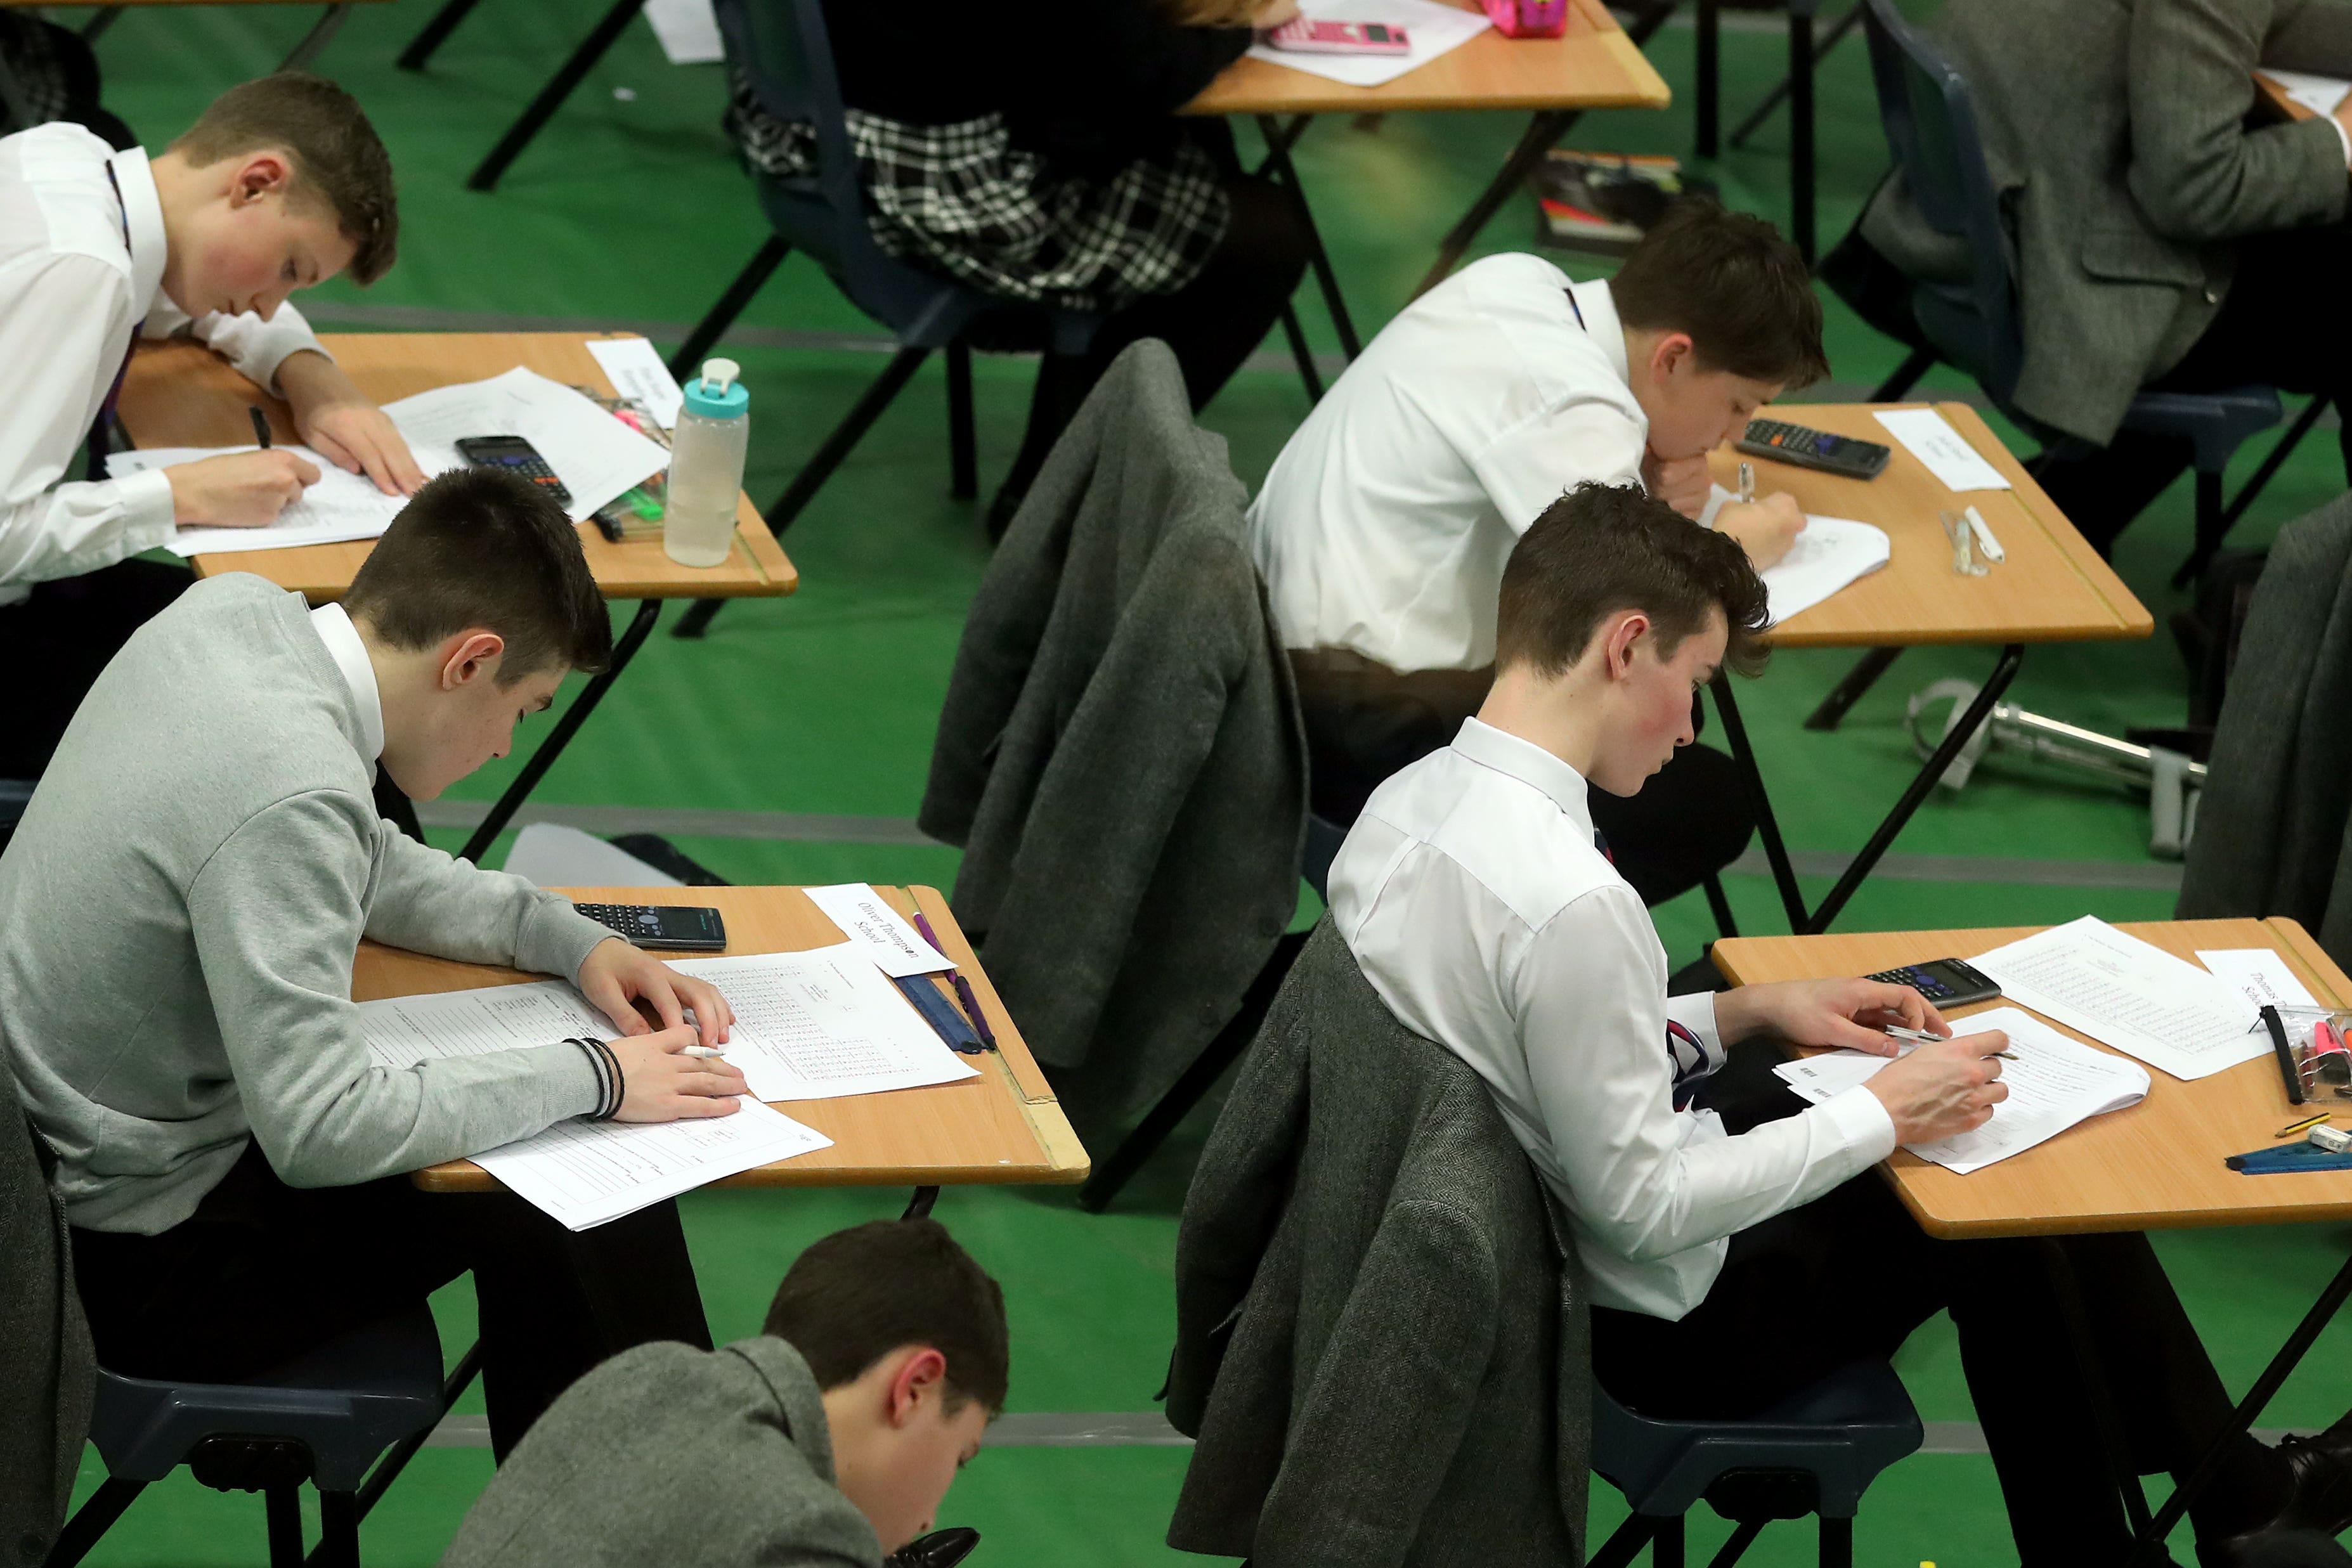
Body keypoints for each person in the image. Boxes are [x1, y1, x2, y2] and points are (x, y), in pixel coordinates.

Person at [1326, 480, 2352, 1567]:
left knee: (1954, 1140)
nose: (1689, 726)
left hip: (1515, 1241)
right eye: (1696, 682)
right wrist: (1878, 1113)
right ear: (1626, 646)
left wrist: (1742, 1009)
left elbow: (1529, 1036)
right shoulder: (1574, 900)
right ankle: (2204, 1505)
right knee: (2003, 1182)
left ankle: (2215, 1499)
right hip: (1646, 1319)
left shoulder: (1407, 804)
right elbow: (1642, 1205)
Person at [1, 467, 746, 1455]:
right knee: (587, 1182)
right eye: (523, 707)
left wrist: (570, 939)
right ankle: (668, 1524)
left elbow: (356, 855)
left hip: (61, 1154)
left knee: (566, 1166)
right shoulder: (292, 784)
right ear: (470, 662)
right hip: (129, 1260)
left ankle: (653, 1512)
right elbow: (320, 1126)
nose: (501, 747)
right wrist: (601, 1074)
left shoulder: (234, 614)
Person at [1247, 202, 1824, 907]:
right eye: (1738, 406)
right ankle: (1455, 964)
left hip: (1270, 658)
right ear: (1673, 357)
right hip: (1352, 731)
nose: (1729, 435)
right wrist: (1739, 540)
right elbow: (1644, 636)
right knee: (1695, 777)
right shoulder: (1581, 408)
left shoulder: (1515, 281)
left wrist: (1642, 474)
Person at [724, 0, 1312, 537]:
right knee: (1266, 237)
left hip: (810, 139)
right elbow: (1134, 71)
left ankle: (1059, 470)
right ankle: (1052, 503)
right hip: (928, 191)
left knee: (1174, 150)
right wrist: (1245, 24)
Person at [0, 70, 425, 780]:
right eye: (290, 268)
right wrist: (183, 495)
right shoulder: (86, 270)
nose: (266, 306)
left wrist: (306, 370)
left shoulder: (74, 161)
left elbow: (181, 304)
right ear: (255, 183)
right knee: (298, 734)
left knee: (279, 655)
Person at [1831, 0, 2352, 555]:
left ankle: (2060, 521)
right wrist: (2340, 141)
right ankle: (2323, 600)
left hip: (2003, 214)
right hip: (2070, 273)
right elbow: (2193, 189)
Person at [439, 1217, 1008, 1568]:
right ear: (916, 1386)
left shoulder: (648, 1371)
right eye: (958, 1454)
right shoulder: (806, 1536)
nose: (931, 1518)